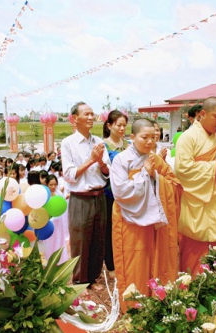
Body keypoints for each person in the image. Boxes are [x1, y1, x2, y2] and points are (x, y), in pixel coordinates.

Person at [111, 118, 181, 312]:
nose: (150, 142)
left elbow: (173, 183)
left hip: (154, 223)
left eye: (153, 137)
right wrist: (144, 175)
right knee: (134, 261)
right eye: (145, 137)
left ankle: (156, 301)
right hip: (130, 220)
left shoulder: (155, 159)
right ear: (132, 137)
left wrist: (154, 176)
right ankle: (134, 307)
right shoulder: (121, 160)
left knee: (154, 257)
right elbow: (120, 192)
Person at [175, 97, 216, 275]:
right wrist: (214, 166)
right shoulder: (187, 138)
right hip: (198, 200)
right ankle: (191, 283)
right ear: (202, 114)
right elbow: (182, 170)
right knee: (197, 246)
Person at [61, 101, 110, 292]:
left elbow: (106, 171)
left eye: (92, 114)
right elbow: (69, 175)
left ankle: (93, 277)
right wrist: (91, 160)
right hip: (80, 198)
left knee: (98, 238)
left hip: (99, 196)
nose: (91, 118)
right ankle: (80, 281)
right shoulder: (68, 143)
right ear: (75, 119)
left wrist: (100, 162)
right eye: (86, 114)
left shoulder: (99, 141)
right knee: (80, 239)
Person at [102, 110, 129, 277]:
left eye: (124, 125)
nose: (122, 128)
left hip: (127, 193)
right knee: (110, 230)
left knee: (125, 228)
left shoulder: (127, 144)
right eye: (118, 125)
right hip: (109, 193)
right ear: (109, 125)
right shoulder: (103, 145)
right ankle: (111, 264)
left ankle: (124, 260)